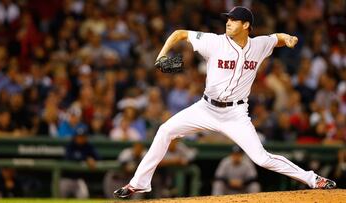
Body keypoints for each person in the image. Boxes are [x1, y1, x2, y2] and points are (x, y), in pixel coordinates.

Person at [113, 6, 336, 198]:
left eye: (233, 20)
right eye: (227, 19)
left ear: (246, 24)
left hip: (236, 114)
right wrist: (161, 54)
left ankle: (313, 179)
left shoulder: (258, 45)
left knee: (261, 158)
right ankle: (138, 183)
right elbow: (180, 33)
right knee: (165, 130)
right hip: (205, 108)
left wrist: (287, 38)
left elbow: (275, 38)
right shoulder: (214, 42)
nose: (228, 23)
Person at [59, 126, 99, 199]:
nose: (80, 138)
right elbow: (69, 158)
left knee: (84, 196)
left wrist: (92, 159)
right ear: (75, 137)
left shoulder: (88, 146)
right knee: (59, 195)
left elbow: (98, 158)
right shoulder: (70, 145)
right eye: (78, 136)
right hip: (67, 178)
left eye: (83, 136)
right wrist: (86, 158)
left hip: (79, 180)